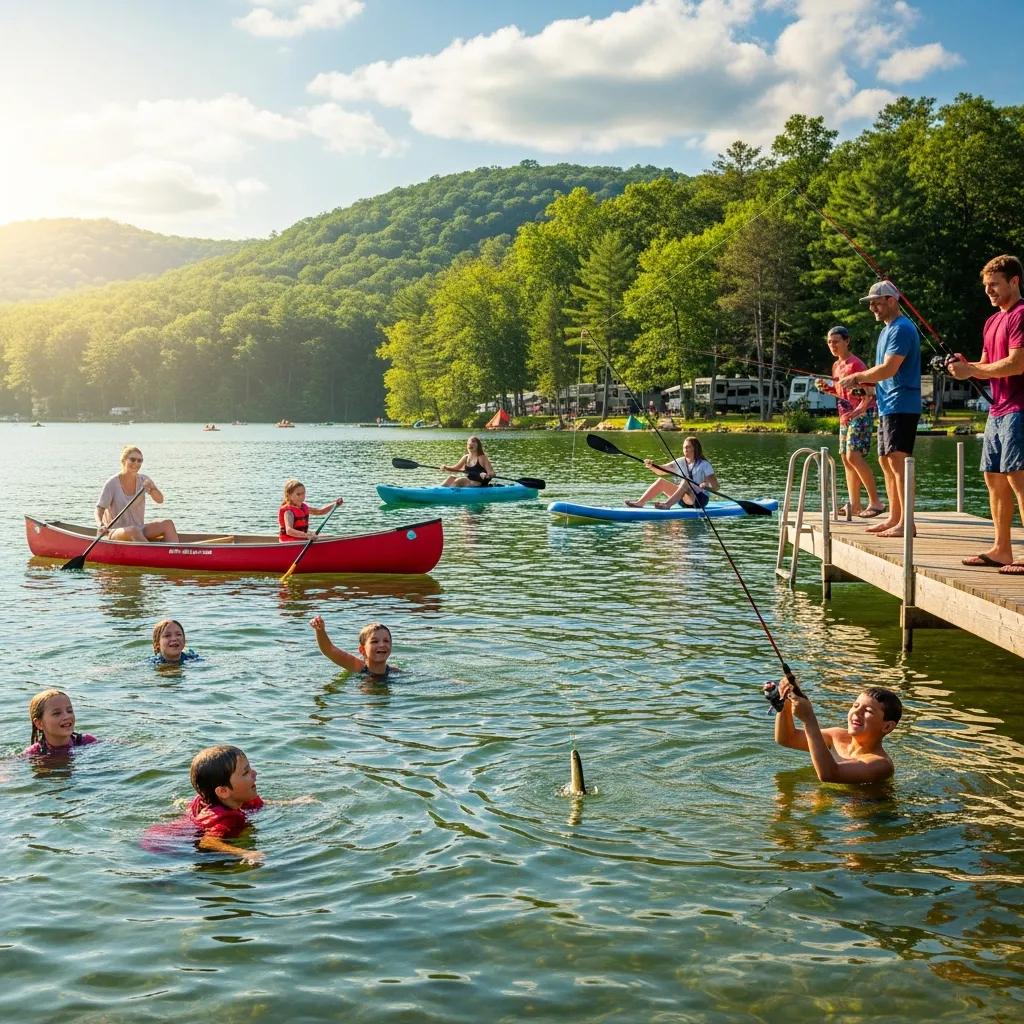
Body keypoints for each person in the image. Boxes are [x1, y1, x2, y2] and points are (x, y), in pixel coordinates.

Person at [948, 254, 1024, 573]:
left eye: (994, 284)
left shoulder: (1021, 314)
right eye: (986, 286)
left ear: (1014, 281)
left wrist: (972, 371)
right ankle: (1002, 548)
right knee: (993, 477)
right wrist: (965, 368)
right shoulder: (991, 321)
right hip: (998, 409)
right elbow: (984, 364)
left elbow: (1017, 362)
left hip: (1020, 409)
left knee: (1019, 478)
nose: (989, 291)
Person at [837, 281, 922, 538]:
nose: (872, 306)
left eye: (876, 301)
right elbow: (883, 377)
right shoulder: (886, 331)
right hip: (887, 404)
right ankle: (895, 517)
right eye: (870, 303)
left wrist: (857, 377)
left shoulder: (902, 329)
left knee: (898, 462)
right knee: (886, 461)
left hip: (902, 405)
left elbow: (888, 369)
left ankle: (907, 522)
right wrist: (865, 388)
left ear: (892, 301)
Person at [143, 745, 266, 864]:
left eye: (250, 769)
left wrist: (283, 803)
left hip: (158, 835)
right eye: (246, 773)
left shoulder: (216, 799)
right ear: (223, 791)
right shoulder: (227, 819)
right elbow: (207, 842)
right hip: (166, 845)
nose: (254, 773)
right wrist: (245, 853)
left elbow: (255, 804)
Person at [767, 677, 903, 783]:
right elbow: (787, 738)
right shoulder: (836, 736)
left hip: (861, 816)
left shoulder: (881, 764)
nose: (857, 712)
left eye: (868, 711)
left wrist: (809, 720)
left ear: (887, 726)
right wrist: (785, 701)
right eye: (855, 706)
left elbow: (829, 774)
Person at [815, 326, 884, 518]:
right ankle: (854, 505)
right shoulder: (836, 366)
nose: (832, 345)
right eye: (829, 342)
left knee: (854, 456)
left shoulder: (856, 365)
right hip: (845, 417)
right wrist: (828, 389)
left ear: (847, 341)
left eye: (836, 341)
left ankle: (875, 502)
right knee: (846, 459)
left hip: (861, 414)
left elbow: (870, 393)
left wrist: (859, 410)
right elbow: (842, 394)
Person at [95, 445, 179, 542]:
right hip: (115, 531)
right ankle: (152, 554)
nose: (136, 463)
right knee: (133, 531)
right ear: (124, 460)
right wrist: (100, 525)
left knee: (168, 524)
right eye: (132, 459)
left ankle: (175, 554)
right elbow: (99, 509)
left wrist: (152, 489)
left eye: (140, 461)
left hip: (139, 529)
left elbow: (160, 500)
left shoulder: (144, 480)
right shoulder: (112, 483)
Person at [624, 436, 717, 509]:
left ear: (695, 448)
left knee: (685, 481)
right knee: (661, 481)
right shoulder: (680, 461)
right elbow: (662, 470)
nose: (685, 449)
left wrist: (705, 485)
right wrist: (652, 466)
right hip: (683, 499)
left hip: (699, 500)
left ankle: (667, 505)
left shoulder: (704, 464)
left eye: (688, 447)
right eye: (684, 447)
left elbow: (716, 487)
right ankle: (640, 503)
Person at [309, 615, 395, 677]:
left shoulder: (394, 672)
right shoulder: (357, 666)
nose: (382, 644)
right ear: (362, 650)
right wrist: (320, 630)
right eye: (375, 641)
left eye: (386, 641)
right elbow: (329, 650)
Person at [22, 689, 98, 757]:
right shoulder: (33, 753)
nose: (66, 716)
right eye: (57, 713)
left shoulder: (87, 742)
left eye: (69, 711)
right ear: (39, 723)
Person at [278, 479, 343, 542]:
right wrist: (307, 535)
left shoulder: (303, 507)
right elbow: (289, 531)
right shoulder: (288, 512)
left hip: (300, 540)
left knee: (329, 537)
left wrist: (335, 504)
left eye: (303, 493)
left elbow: (320, 511)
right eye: (298, 494)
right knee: (322, 539)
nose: (302, 496)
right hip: (289, 542)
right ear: (289, 496)